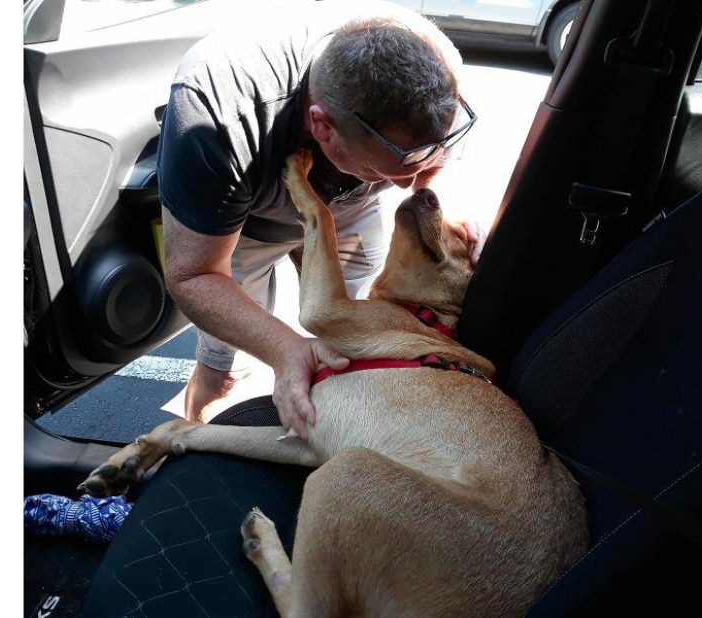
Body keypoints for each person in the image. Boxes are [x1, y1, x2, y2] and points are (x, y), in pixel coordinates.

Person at [157, 0, 483, 438]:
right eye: (385, 170)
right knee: (226, 365)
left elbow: (426, 168)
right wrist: (284, 348)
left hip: (347, 209)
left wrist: (446, 223)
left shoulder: (437, 68)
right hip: (244, 225)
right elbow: (193, 275)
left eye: (419, 162)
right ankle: (198, 410)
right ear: (321, 126)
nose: (407, 187)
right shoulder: (219, 111)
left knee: (342, 341)